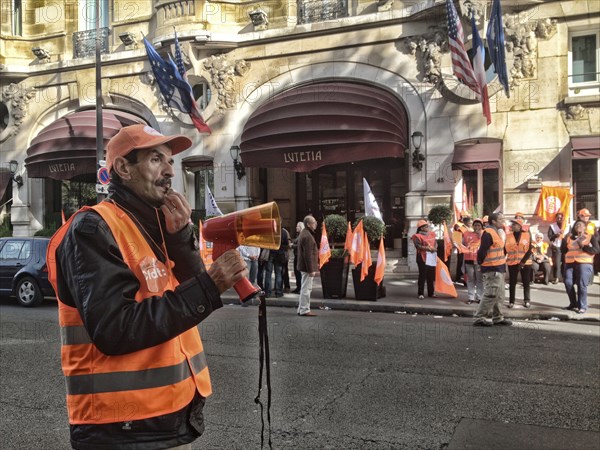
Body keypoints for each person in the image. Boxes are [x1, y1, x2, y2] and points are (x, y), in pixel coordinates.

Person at [46, 124, 248, 450]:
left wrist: (181, 236)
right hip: (122, 430)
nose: (169, 170)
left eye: (169, 161)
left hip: (168, 419)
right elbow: (116, 328)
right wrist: (211, 284)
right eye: (156, 159)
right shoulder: (93, 228)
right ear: (124, 168)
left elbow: (185, 291)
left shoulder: (153, 223)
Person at [473, 212, 512, 327]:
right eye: (501, 219)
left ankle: (498, 317)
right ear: (493, 221)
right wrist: (481, 264)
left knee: (499, 295)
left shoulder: (495, 233)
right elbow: (481, 251)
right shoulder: (488, 233)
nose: (503, 220)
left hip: (498, 268)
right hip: (492, 269)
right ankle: (479, 317)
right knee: (491, 294)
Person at [561, 220, 600, 314]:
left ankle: (582, 306)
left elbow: (596, 250)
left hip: (584, 263)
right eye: (577, 224)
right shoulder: (569, 237)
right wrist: (564, 240)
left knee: (581, 284)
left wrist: (584, 246)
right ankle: (573, 304)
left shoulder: (590, 237)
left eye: (581, 225)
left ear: (585, 227)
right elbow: (563, 250)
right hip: (570, 262)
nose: (578, 226)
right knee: (568, 282)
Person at [505, 218, 533, 308]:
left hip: (525, 262)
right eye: (512, 224)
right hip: (512, 262)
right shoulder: (508, 235)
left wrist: (523, 261)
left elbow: (530, 250)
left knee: (526, 282)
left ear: (520, 226)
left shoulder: (527, 235)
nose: (512, 226)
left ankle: (527, 300)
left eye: (515, 224)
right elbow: (505, 249)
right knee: (512, 282)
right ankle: (511, 301)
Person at [296, 215, 319, 316]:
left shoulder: (304, 233)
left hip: (303, 266)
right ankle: (305, 309)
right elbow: (308, 255)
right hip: (306, 268)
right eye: (314, 222)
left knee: (304, 288)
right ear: (309, 224)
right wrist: (311, 270)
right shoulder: (307, 236)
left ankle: (301, 309)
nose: (316, 224)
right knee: (306, 289)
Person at [411, 219, 437, 299]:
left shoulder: (432, 234)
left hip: (431, 257)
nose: (428, 228)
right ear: (421, 228)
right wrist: (428, 248)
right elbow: (418, 246)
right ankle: (420, 293)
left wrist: (434, 248)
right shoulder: (416, 236)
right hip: (421, 258)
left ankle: (431, 292)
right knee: (422, 275)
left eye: (427, 226)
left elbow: (435, 243)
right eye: (426, 226)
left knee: (431, 276)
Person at [463, 218, 484, 304]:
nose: (477, 227)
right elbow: (462, 244)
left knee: (479, 279)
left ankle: (479, 297)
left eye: (479, 225)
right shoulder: (466, 234)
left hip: (479, 260)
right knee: (470, 279)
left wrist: (480, 235)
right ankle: (470, 297)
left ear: (481, 226)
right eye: (475, 225)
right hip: (468, 259)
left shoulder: (484, 234)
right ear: (473, 226)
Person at [264, 227, 289, 298]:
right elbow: (286, 245)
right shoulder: (283, 232)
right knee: (278, 274)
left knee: (268, 274)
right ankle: (278, 292)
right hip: (279, 255)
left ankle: (267, 293)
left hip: (270, 254)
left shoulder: (269, 231)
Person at [548, 212, 565, 283]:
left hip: (565, 246)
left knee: (566, 262)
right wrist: (556, 235)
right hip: (557, 246)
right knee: (557, 263)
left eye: (561, 218)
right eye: (558, 217)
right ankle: (557, 278)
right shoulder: (552, 226)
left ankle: (565, 277)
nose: (559, 219)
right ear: (556, 218)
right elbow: (550, 237)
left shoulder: (567, 226)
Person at [291, 221, 305, 294]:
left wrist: (292, 245)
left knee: (299, 273)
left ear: (301, 227)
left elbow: (300, 246)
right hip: (296, 256)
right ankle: (298, 287)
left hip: (299, 257)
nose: (296, 227)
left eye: (298, 226)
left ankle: (300, 288)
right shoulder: (299, 235)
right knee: (296, 272)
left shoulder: (302, 235)